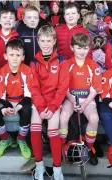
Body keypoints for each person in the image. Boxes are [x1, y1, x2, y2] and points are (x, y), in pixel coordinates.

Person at [28, 25, 68, 179]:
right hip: (39, 102)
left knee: (52, 131)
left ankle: (57, 169)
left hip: (54, 102)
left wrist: (52, 107)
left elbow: (63, 86)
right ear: (38, 41)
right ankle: (39, 166)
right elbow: (34, 86)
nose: (45, 44)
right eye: (42, 40)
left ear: (54, 41)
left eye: (48, 41)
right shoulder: (34, 61)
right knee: (35, 128)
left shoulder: (62, 61)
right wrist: (40, 106)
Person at [59, 33, 102, 165]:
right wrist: (73, 101)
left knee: (94, 118)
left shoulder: (92, 65)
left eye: (85, 48)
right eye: (79, 48)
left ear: (89, 48)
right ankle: (62, 148)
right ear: (72, 48)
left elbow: (95, 88)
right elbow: (64, 87)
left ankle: (88, 149)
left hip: (87, 99)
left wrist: (85, 104)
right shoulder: (66, 64)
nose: (82, 51)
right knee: (64, 116)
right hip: (71, 98)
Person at [0, 40, 32, 159]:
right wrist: (4, 107)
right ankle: (5, 139)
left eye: (18, 55)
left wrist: (19, 105)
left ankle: (21, 139)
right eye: (11, 55)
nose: (14, 58)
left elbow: (29, 93)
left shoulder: (27, 70)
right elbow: (0, 94)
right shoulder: (2, 71)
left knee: (27, 110)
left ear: (23, 57)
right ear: (5, 56)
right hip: (7, 100)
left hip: (22, 100)